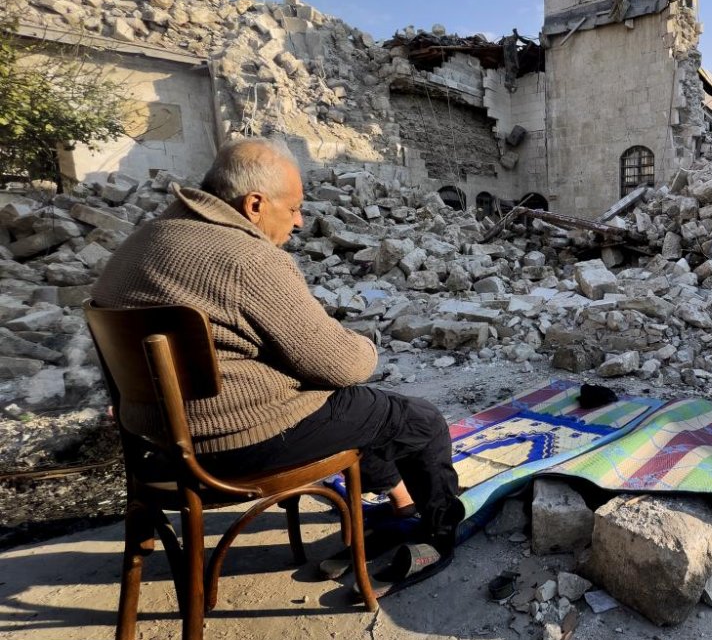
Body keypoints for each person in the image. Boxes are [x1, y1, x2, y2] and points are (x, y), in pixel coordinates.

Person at [92, 137, 462, 588]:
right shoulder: (246, 257)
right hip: (238, 445)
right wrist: (364, 344)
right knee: (418, 419)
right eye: (293, 209)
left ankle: (402, 505)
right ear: (254, 204)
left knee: (363, 412)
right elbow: (343, 366)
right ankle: (440, 536)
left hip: (160, 448)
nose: (300, 221)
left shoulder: (139, 242)